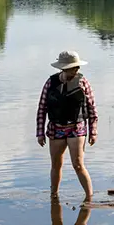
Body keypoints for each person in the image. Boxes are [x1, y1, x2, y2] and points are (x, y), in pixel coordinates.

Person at [36, 50, 98, 202]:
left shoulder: (83, 82)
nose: (76, 70)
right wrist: (40, 132)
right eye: (73, 68)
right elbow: (42, 108)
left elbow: (92, 108)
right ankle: (54, 196)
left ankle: (89, 198)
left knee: (78, 164)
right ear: (63, 68)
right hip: (56, 128)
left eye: (77, 67)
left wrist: (93, 131)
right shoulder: (51, 82)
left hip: (77, 128)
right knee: (56, 164)